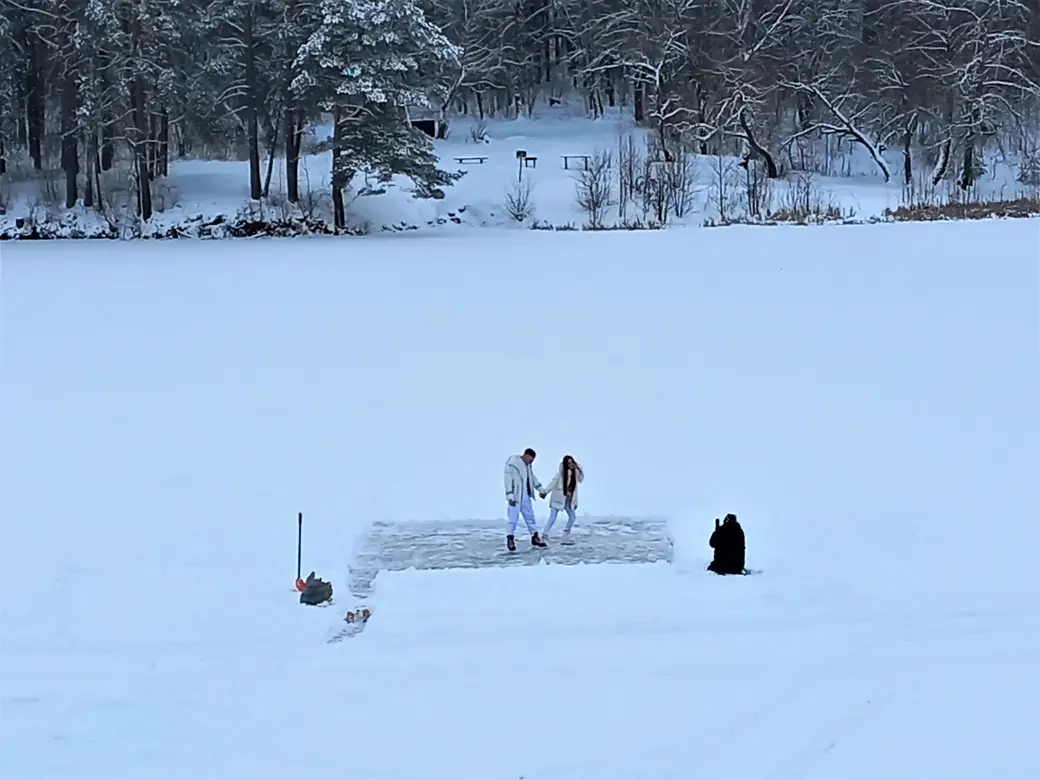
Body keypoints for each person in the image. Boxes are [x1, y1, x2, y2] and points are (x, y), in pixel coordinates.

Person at [504, 448, 546, 551]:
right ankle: (510, 538)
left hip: (525, 495)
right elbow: (507, 480)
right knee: (513, 518)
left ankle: (534, 536)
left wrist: (540, 489)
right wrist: (510, 495)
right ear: (526, 455)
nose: (531, 462)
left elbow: (531, 478)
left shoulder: (528, 466)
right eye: (531, 459)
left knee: (530, 516)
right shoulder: (512, 464)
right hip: (515, 495)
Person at [539, 455, 584, 544]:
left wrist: (578, 468)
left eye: (572, 463)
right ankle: (544, 534)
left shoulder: (575, 473)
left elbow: (581, 479)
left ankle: (565, 534)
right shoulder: (561, 474)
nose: (571, 465)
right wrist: (545, 492)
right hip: (557, 498)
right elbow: (553, 482)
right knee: (552, 517)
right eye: (569, 463)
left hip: (568, 500)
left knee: (572, 517)